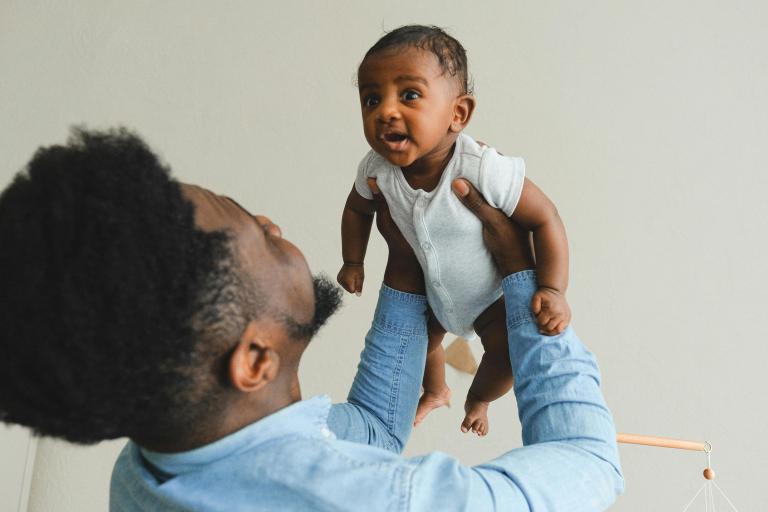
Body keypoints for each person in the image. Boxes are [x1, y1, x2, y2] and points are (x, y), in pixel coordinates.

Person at [0, 128, 622, 511]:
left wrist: (402, 268)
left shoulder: (149, 471)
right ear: (254, 360)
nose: (272, 223)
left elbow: (372, 430)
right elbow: (589, 461)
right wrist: (520, 272)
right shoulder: (383, 503)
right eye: (257, 236)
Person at [337, 25, 571, 435]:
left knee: (506, 357)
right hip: (433, 295)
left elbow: (545, 217)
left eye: (409, 95)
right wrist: (352, 259)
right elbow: (357, 210)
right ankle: (437, 390)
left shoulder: (481, 168)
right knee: (421, 346)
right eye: (371, 99)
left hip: (491, 298)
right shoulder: (375, 170)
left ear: (457, 114)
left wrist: (552, 289)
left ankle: (477, 399)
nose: (386, 111)